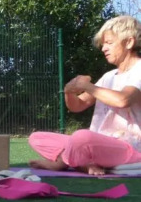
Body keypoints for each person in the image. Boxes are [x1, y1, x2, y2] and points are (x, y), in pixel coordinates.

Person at [28, 15, 141, 175]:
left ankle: (64, 162)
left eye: (109, 43)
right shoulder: (109, 76)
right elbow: (78, 106)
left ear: (129, 42)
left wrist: (87, 86)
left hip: (133, 148)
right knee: (37, 138)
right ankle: (83, 162)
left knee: (81, 138)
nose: (104, 48)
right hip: (101, 144)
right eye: (103, 44)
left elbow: (123, 100)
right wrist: (69, 92)